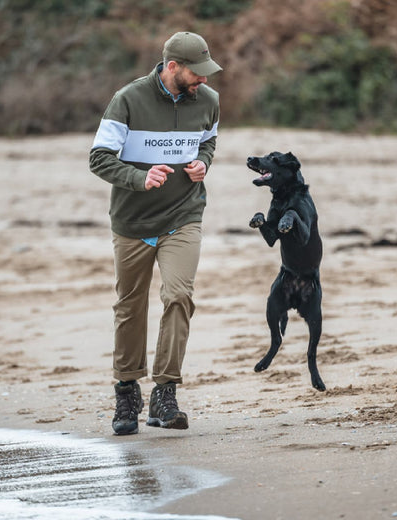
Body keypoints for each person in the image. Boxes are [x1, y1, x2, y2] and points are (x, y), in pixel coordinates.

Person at [89, 32, 222, 435]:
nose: (202, 80)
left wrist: (202, 164)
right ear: (171, 67)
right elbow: (99, 158)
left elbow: (208, 145)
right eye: (195, 73)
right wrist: (139, 177)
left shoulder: (210, 101)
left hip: (184, 214)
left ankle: (166, 390)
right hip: (132, 222)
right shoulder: (127, 99)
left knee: (178, 294)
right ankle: (127, 389)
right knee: (130, 306)